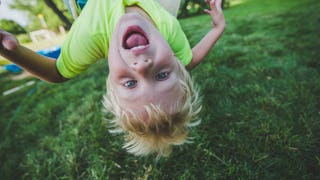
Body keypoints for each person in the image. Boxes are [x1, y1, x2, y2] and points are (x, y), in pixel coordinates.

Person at [0, 0, 225, 158]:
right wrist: (217, 28)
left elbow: (57, 73)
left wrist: (12, 52)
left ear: (110, 84)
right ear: (175, 63)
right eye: (162, 75)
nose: (142, 66)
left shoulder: (91, 36)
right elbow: (190, 60)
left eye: (130, 83)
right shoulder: (170, 32)